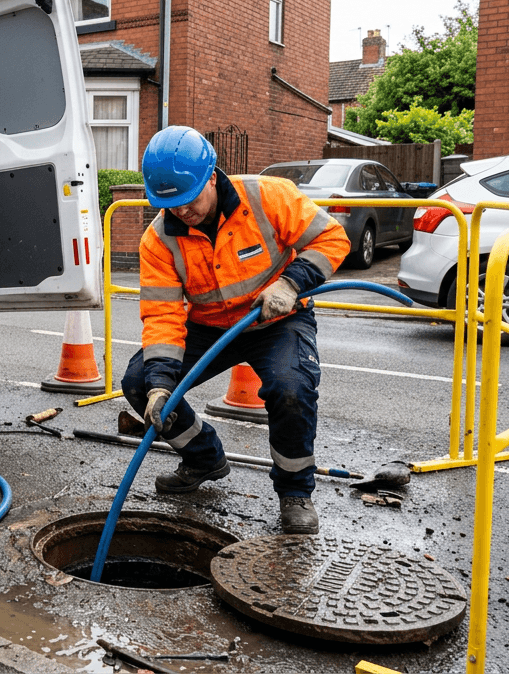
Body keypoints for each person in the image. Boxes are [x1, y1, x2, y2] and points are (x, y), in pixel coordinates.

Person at [119, 126, 351, 534]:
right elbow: (162, 314)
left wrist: (291, 283)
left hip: (278, 320)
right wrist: (160, 383)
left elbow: (332, 237)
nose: (181, 212)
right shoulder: (158, 241)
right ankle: (204, 458)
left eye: (189, 200)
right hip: (209, 326)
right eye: (170, 204)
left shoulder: (267, 197)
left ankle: (295, 492)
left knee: (291, 389)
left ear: (211, 177)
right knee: (140, 383)